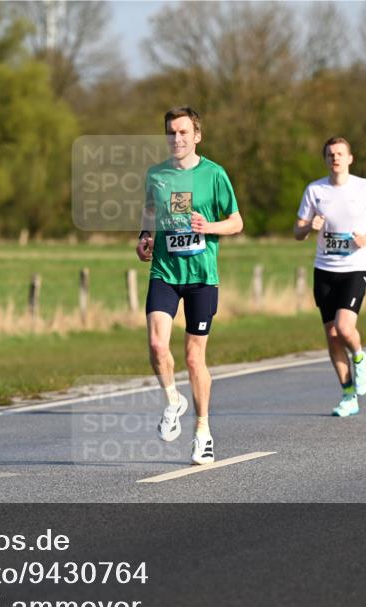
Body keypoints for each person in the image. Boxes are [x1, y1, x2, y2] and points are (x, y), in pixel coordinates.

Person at [136, 107, 243, 464]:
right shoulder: (156, 175)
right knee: (155, 344)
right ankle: (172, 401)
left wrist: (208, 227)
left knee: (194, 358)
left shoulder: (214, 175)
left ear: (196, 135)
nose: (177, 138)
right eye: (171, 132)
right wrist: (145, 237)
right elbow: (150, 212)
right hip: (164, 272)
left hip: (201, 277)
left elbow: (236, 222)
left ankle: (202, 431)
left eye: (183, 132)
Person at [294, 137, 366, 417]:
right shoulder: (315, 190)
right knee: (331, 336)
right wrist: (308, 227)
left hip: (354, 269)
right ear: (325, 160)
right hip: (324, 270)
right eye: (330, 154)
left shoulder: (365, 188)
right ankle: (348, 395)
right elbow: (298, 232)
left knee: (345, 329)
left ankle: (360, 357)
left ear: (350, 158)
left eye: (340, 153)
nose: (335, 158)